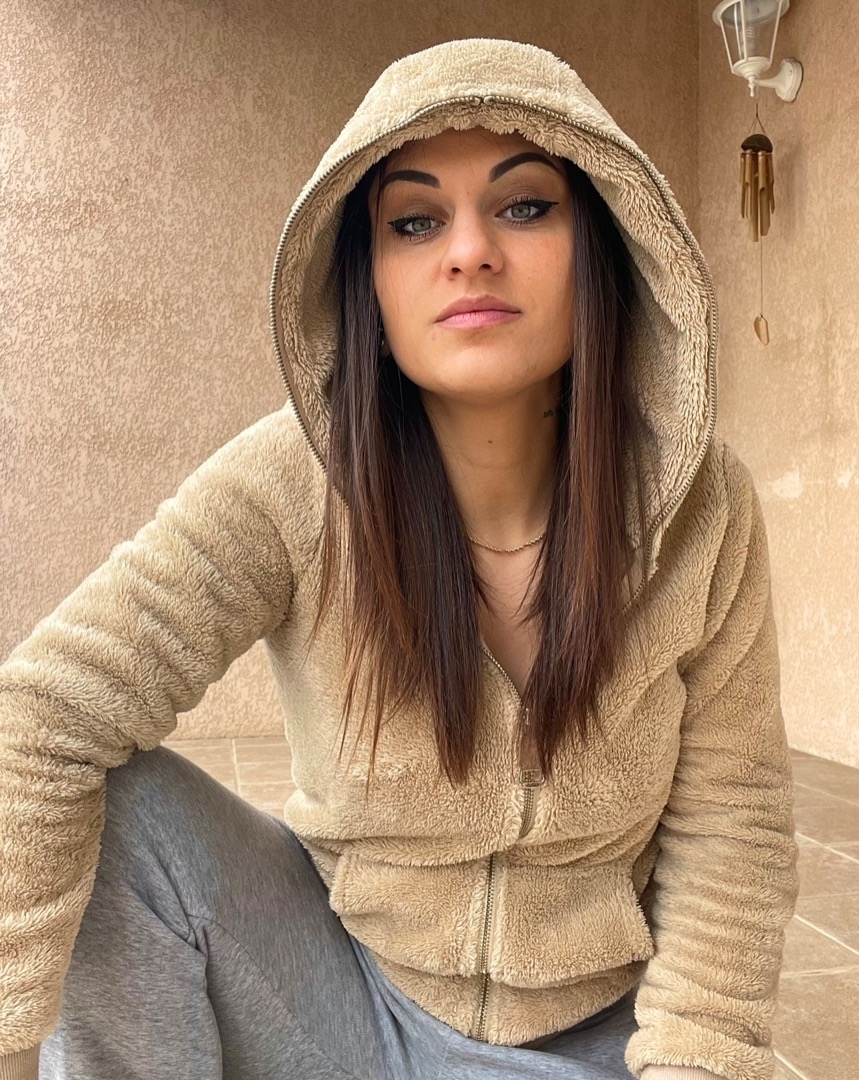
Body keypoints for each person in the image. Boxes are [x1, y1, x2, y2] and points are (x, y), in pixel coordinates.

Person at [0, 38, 798, 1080]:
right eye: (414, 222)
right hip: (336, 1001)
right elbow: (41, 716)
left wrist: (696, 1063)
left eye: (524, 206)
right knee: (126, 811)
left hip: (589, 1039)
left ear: (600, 250)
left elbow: (734, 827)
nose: (468, 252)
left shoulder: (704, 508)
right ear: (367, 287)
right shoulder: (290, 480)